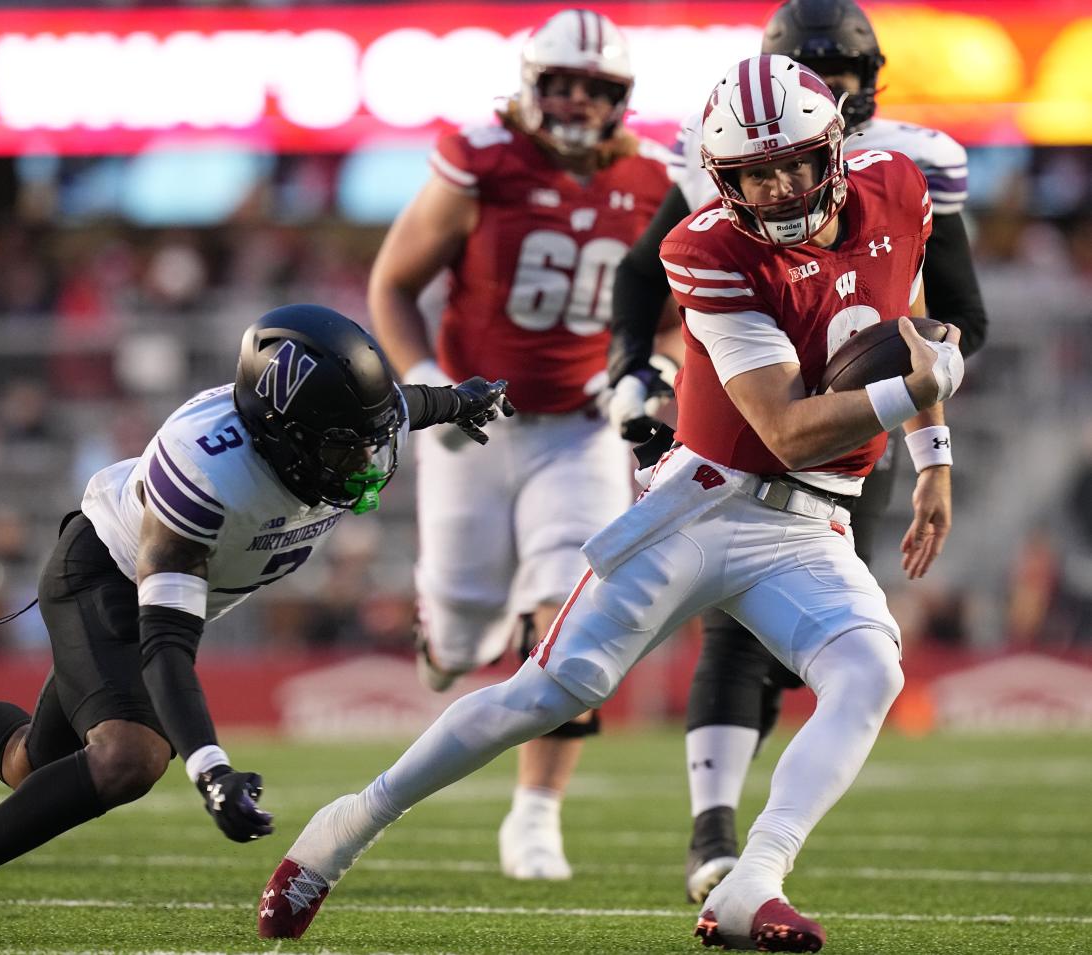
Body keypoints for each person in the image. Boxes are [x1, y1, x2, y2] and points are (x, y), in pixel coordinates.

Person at [258, 56, 965, 952]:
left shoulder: (896, 186)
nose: (781, 185)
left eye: (794, 161)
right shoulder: (704, 247)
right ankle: (343, 829)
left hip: (811, 522)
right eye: (755, 171)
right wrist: (916, 394)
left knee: (870, 672)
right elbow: (786, 427)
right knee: (549, 692)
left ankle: (753, 884)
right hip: (704, 509)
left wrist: (933, 451)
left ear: (833, 149)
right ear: (724, 180)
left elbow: (908, 317)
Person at [0, 304, 513, 946]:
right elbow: (164, 645)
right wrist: (209, 765)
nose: (365, 466)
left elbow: (403, 407)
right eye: (345, 451)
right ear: (282, 433)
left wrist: (461, 399)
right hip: (104, 574)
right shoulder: (207, 471)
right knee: (130, 756)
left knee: (31, 764)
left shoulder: (338, 420)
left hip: (148, 587)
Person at [605, 0, 989, 903]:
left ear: (867, 81)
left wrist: (922, 431)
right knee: (729, 624)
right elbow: (641, 275)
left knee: (812, 643)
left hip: (859, 425)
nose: (841, 94)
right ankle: (713, 833)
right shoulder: (723, 158)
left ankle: (752, 838)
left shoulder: (910, 166)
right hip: (748, 414)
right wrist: (641, 373)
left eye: (849, 77)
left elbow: (956, 316)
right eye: (825, 75)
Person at [368, 8, 680, 881]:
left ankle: (536, 815)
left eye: (597, 88)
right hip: (474, 425)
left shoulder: (658, 179)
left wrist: (647, 368)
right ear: (530, 84)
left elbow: (676, 320)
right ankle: (451, 636)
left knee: (569, 623)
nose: (577, 101)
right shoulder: (481, 157)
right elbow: (393, 283)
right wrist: (431, 381)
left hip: (581, 430)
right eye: (561, 84)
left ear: (621, 99)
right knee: (462, 644)